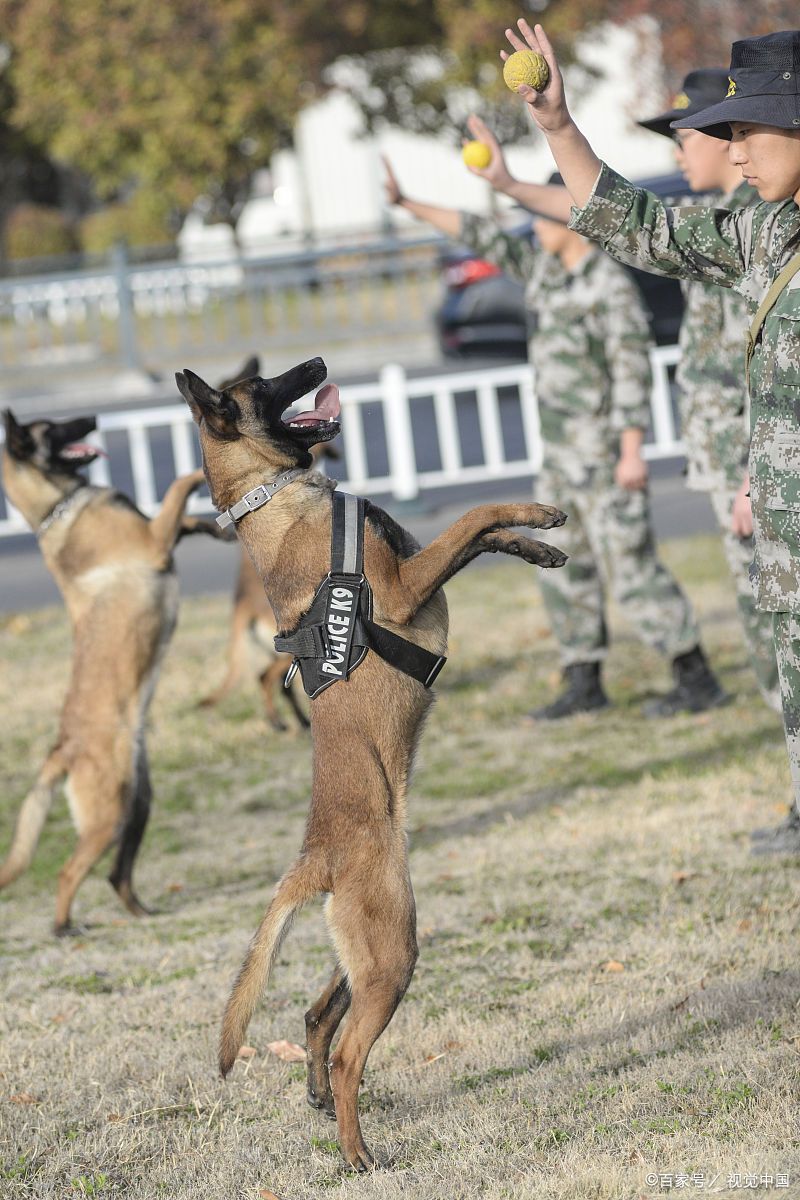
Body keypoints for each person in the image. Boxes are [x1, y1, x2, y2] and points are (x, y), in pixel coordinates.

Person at [499, 19, 800, 850]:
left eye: (746, 129)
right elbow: (648, 229)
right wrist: (558, 126)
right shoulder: (771, 233)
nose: (732, 153)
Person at [383, 150, 726, 718]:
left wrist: (633, 453)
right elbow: (479, 235)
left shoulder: (607, 286)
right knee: (563, 567)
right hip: (562, 460)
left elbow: (632, 369)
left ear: (569, 219)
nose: (534, 228)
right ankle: (583, 678)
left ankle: (694, 674)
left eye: (542, 216)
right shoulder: (543, 270)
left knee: (632, 567)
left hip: (607, 457)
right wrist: (406, 202)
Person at [639, 70, 780, 712]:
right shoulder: (731, 226)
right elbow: (628, 222)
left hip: (761, 466)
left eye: (683, 134)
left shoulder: (767, 229)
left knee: (777, 632)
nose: (676, 151)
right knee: (765, 632)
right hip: (738, 465)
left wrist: (755, 467)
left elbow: (768, 370)